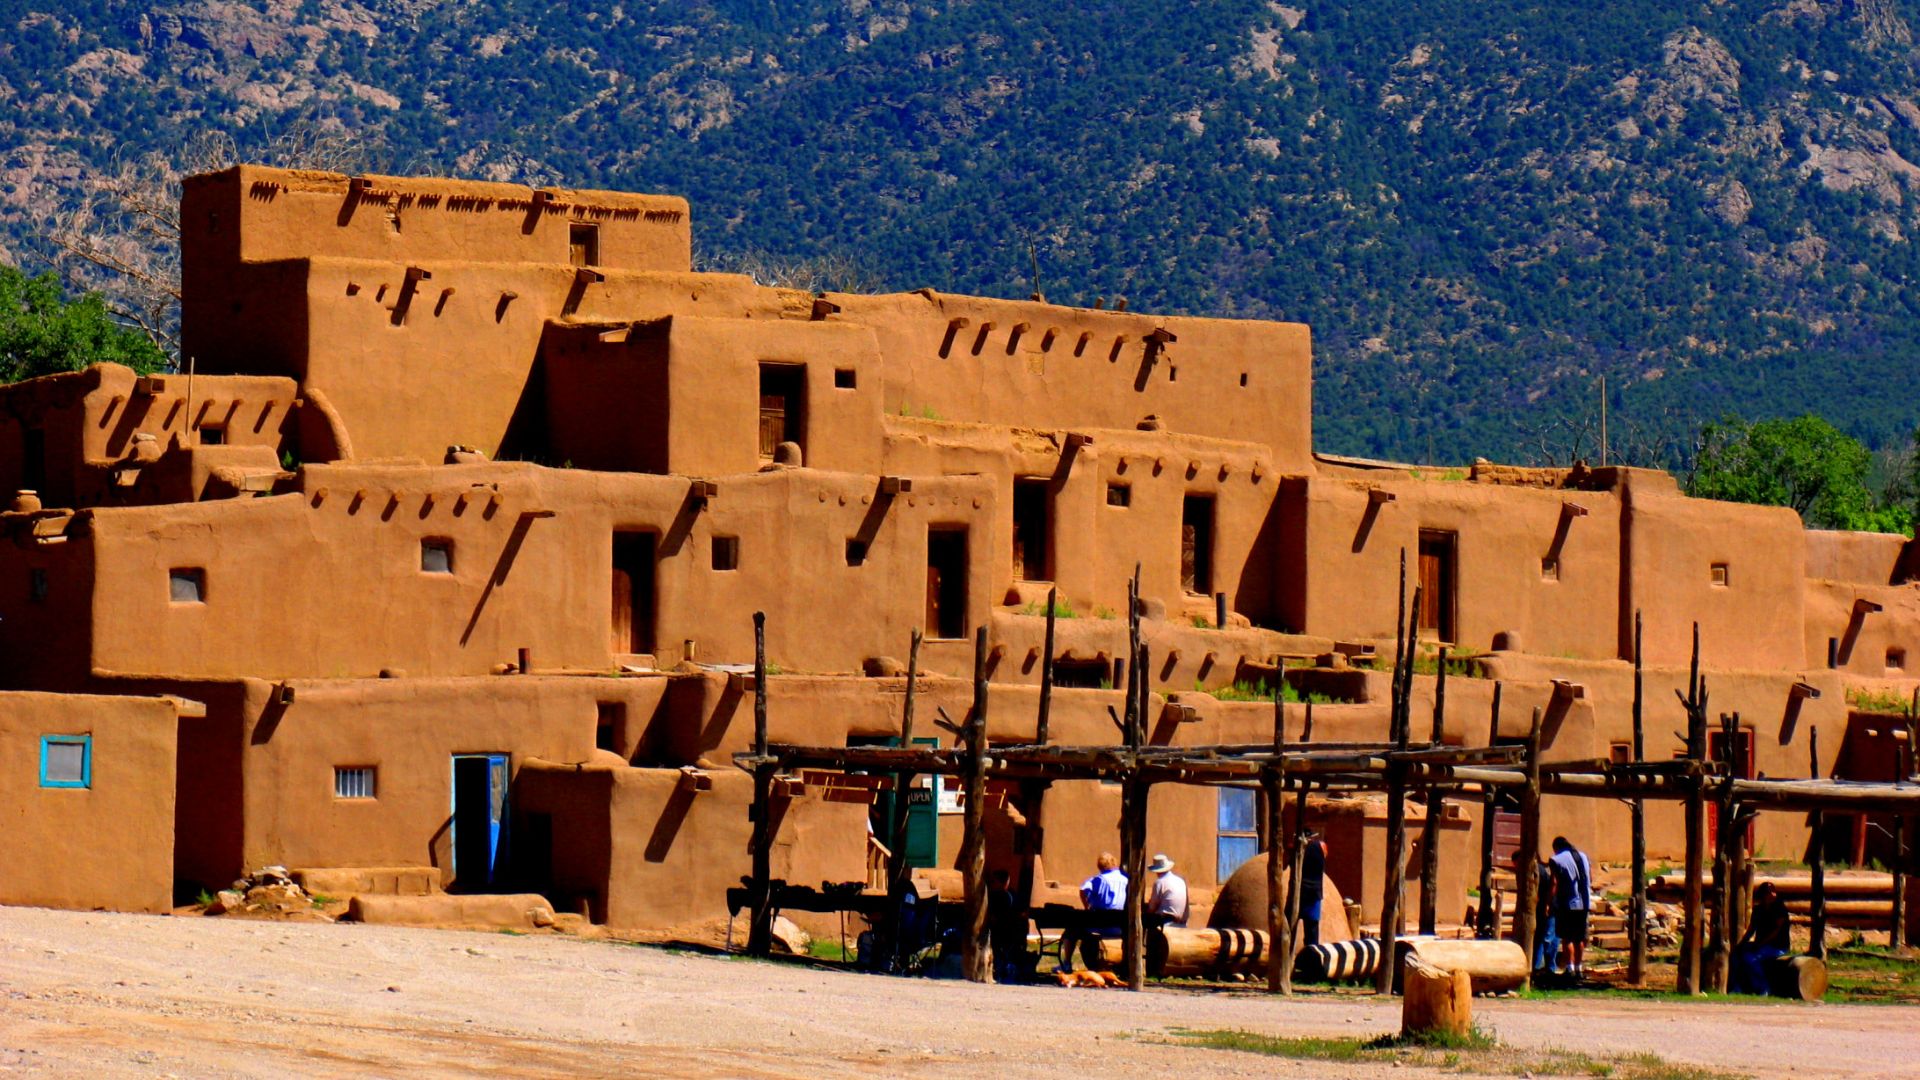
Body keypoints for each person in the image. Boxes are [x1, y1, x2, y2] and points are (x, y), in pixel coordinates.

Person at [1057, 852, 1127, 974]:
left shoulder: (1098, 880)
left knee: (1071, 929)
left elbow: (1083, 889)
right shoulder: (1126, 878)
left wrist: (1087, 906)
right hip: (1121, 926)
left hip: (1100, 925)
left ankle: (1067, 962)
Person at [1731, 882, 1792, 995]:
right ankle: (1737, 987)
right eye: (1769, 892)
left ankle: (1763, 988)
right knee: (1736, 955)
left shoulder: (1780, 908)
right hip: (1761, 944)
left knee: (1751, 959)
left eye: (1773, 891)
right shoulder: (1758, 910)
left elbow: (1776, 931)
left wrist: (1760, 944)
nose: (1772, 894)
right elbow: (1751, 929)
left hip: (1777, 946)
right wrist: (1742, 944)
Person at [1549, 836, 1593, 978]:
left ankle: (1569, 968)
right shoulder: (1584, 856)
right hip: (1584, 903)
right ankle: (1579, 968)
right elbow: (1590, 878)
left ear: (1556, 848)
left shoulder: (1556, 860)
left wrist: (1550, 902)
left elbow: (1555, 883)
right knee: (1580, 937)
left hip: (1567, 903)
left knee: (1566, 937)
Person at [987, 868, 1031, 983]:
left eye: (994, 882)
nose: (992, 885)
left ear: (1003, 882)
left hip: (1004, 932)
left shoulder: (1002, 897)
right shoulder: (1013, 896)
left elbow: (995, 917)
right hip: (1012, 932)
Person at [1296, 830, 1328, 947]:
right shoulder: (1319, 847)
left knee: (1307, 928)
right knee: (1312, 930)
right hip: (1314, 893)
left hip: (1302, 893)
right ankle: (1311, 952)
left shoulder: (1310, 848)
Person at [1147, 854, 1189, 928]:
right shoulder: (1181, 881)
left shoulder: (1159, 882)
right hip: (1182, 922)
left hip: (1165, 922)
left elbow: (1152, 908)